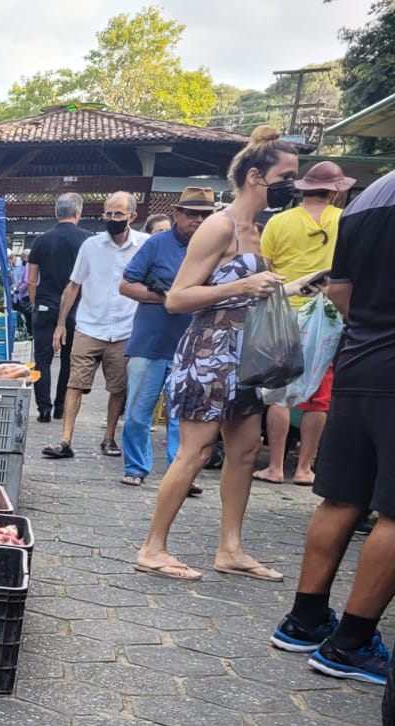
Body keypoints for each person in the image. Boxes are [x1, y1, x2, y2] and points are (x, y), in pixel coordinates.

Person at [134, 125, 304, 582]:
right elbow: (176, 298)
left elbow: (248, 293)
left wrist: (300, 285)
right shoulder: (219, 225)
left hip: (244, 355)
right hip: (209, 351)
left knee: (246, 451)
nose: (293, 184)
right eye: (286, 175)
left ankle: (230, 548)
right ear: (255, 176)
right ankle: (152, 547)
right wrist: (244, 284)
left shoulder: (258, 230)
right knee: (196, 450)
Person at [269, 166, 395, 685]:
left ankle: (306, 618)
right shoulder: (352, 200)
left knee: (341, 497)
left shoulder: (374, 195)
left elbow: (340, 289)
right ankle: (351, 643)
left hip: (359, 360)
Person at [253, 159, 355, 485]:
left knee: (279, 391)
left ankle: (275, 466)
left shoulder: (279, 222)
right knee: (319, 393)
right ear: (337, 192)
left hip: (284, 310)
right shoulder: (348, 221)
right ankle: (305, 468)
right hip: (329, 314)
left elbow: (264, 270)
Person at [117, 188, 215, 490]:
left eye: (204, 214)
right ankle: (135, 466)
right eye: (192, 213)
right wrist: (169, 299)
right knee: (137, 413)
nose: (198, 220)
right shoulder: (156, 245)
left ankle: (179, 475)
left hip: (193, 345)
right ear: (177, 214)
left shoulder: (214, 248)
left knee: (182, 417)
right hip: (150, 343)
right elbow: (126, 285)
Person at [41, 192, 148, 460]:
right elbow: (74, 284)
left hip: (125, 327)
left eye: (118, 214)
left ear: (132, 216)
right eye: (108, 214)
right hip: (89, 325)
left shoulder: (145, 245)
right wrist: (61, 324)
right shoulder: (90, 246)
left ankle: (109, 437)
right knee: (75, 383)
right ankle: (65, 440)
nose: (112, 219)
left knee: (118, 387)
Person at [27, 194, 90, 423]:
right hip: (75, 308)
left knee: (42, 358)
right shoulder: (87, 240)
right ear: (78, 213)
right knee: (68, 358)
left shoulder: (41, 240)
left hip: (45, 304)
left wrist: (36, 303)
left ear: (56, 213)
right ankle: (61, 407)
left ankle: (43, 408)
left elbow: (31, 280)